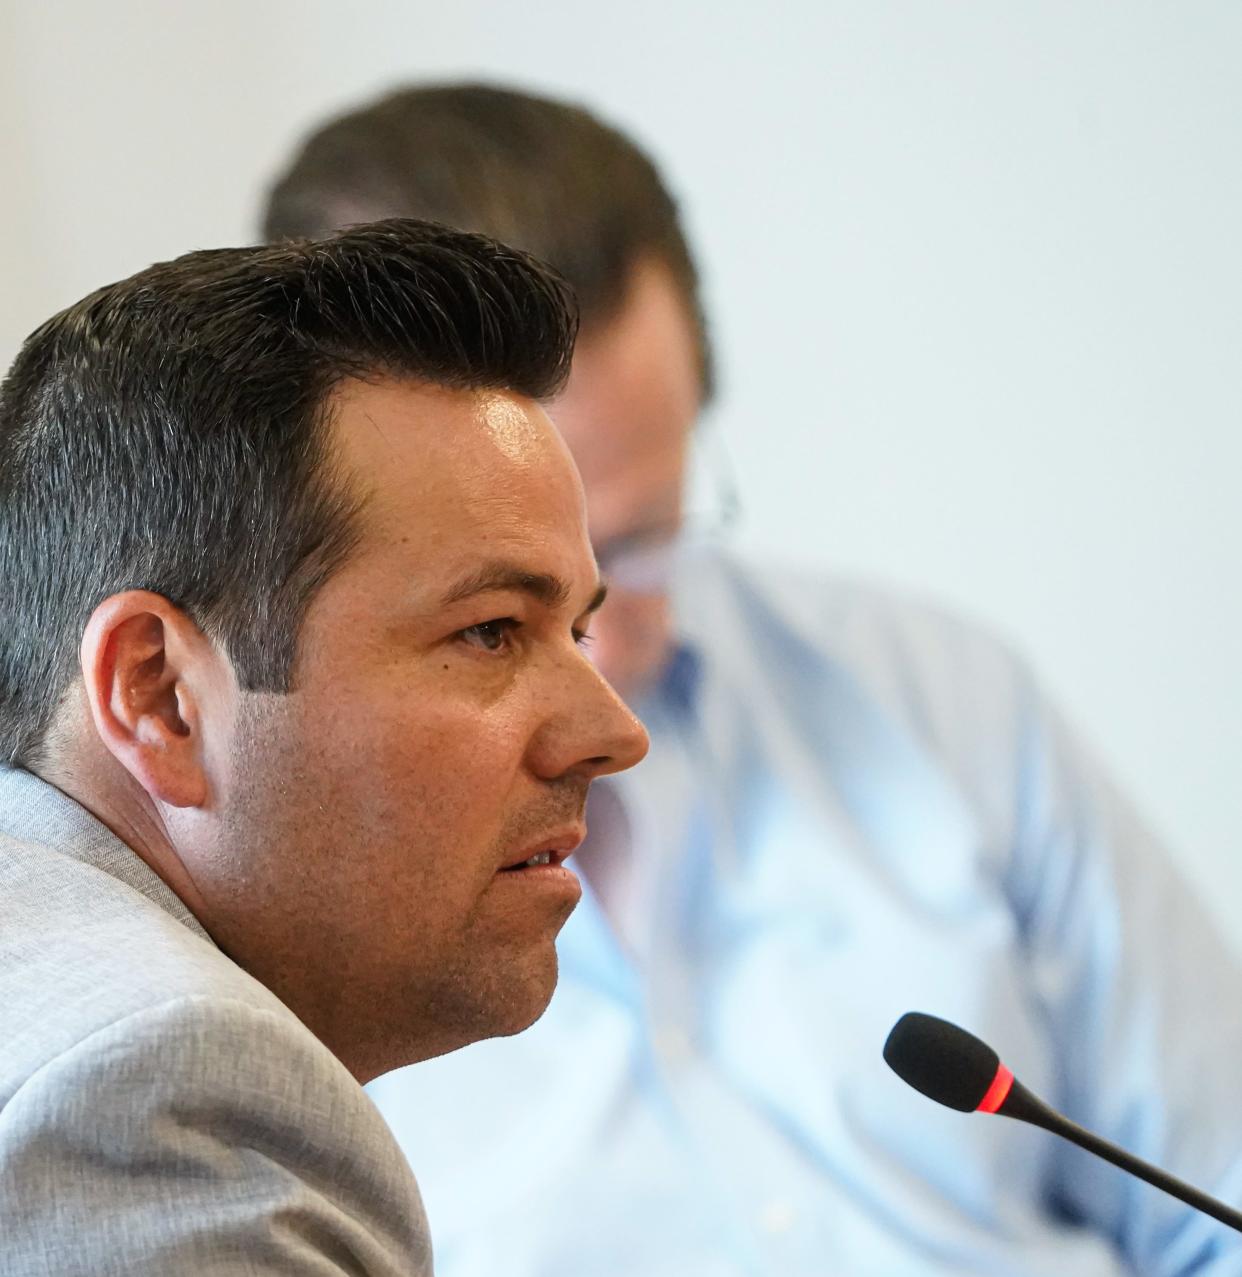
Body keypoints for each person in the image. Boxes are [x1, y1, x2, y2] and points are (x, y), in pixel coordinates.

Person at [262, 87, 1242, 1275]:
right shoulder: (244, 931)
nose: (604, 670)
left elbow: (1215, 1189)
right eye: (500, 616)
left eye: (640, 547)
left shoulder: (940, 694)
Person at [0, 218, 647, 1274]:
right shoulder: (158, 1089)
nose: (614, 735)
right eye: (490, 630)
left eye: (575, 631)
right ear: (159, 695)